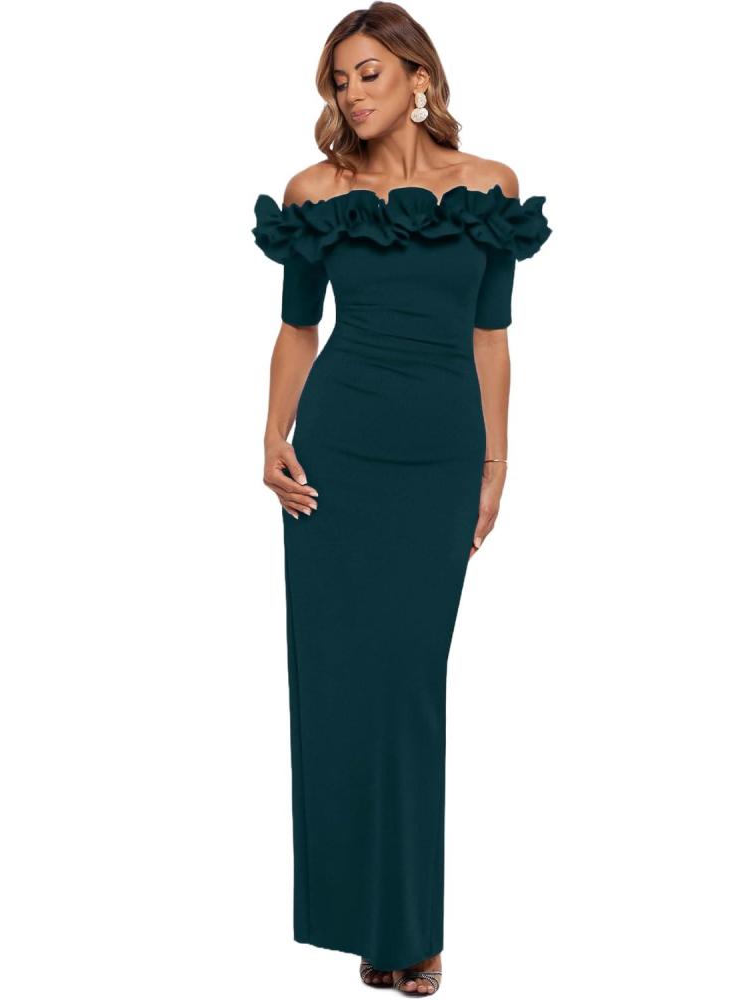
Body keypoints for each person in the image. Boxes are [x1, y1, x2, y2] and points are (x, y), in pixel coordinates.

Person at [252, 4, 551, 994]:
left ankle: (406, 923)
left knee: (409, 686)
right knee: (338, 687)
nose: (352, 94)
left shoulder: (489, 187)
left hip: (438, 460)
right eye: (339, 81)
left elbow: (490, 335)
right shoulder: (315, 193)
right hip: (338, 457)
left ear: (420, 77)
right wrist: (271, 436)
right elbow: (299, 329)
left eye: (369, 73)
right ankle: (387, 933)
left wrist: (495, 461)